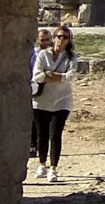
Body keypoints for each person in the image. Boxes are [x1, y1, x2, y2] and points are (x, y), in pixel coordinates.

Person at [31, 25, 77, 183]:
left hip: (61, 100)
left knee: (55, 135)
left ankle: (53, 168)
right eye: (58, 36)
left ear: (69, 40)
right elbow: (36, 75)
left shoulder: (71, 57)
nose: (60, 40)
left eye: (64, 37)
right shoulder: (43, 54)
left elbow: (71, 76)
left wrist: (50, 75)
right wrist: (59, 77)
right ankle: (42, 163)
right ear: (54, 38)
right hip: (41, 100)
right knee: (42, 135)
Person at [29, 26, 53, 159]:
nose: (45, 43)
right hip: (36, 86)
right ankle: (33, 145)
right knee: (34, 117)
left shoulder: (54, 54)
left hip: (50, 87)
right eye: (42, 40)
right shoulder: (33, 53)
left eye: (47, 40)